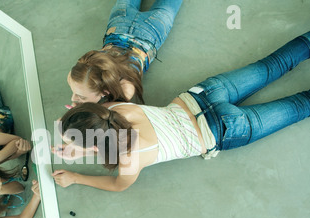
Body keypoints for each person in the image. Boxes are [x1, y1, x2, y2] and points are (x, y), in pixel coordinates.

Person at [52, 31, 310, 192]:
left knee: (299, 105)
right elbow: (99, 126)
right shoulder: (112, 108)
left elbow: (118, 185)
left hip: (221, 130)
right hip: (203, 96)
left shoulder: (129, 160)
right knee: (273, 65)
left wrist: (76, 177)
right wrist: (81, 141)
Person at [67, 0, 183, 108]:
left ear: (105, 92)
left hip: (153, 29)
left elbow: (105, 111)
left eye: (81, 97)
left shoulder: (125, 90)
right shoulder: (79, 72)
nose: (73, 98)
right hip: (121, 19)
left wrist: (81, 110)